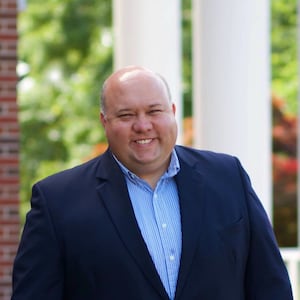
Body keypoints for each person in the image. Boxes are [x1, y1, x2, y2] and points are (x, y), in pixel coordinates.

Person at [11, 65, 293, 300]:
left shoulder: (228, 177)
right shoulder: (57, 202)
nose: (143, 125)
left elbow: (271, 286)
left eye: (154, 111)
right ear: (104, 122)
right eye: (126, 115)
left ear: (171, 112)